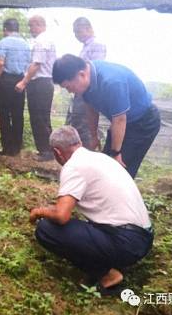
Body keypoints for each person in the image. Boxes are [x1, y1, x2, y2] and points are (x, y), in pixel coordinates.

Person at [30, 126, 153, 295]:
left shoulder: (74, 166)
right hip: (142, 238)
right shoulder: (100, 158)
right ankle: (110, 261)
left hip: (126, 243)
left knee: (46, 229)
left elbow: (61, 216)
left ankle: (108, 274)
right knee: (83, 226)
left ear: (57, 152)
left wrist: (40, 212)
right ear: (79, 142)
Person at [52, 54, 160, 178]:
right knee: (105, 165)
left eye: (68, 87)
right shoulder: (86, 83)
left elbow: (120, 119)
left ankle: (122, 195)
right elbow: (91, 108)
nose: (69, 91)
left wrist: (116, 153)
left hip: (143, 123)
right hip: (121, 123)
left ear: (81, 74)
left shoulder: (112, 81)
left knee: (120, 171)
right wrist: (94, 135)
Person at [15, 15, 57, 162]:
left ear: (38, 24)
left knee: (39, 118)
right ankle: (48, 150)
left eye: (31, 26)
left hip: (40, 83)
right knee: (42, 118)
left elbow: (36, 64)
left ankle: (46, 152)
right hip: (43, 83)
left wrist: (24, 82)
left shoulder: (41, 41)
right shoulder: (46, 40)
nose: (30, 29)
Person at [66, 17, 107, 148]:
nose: (76, 35)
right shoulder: (85, 47)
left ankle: (87, 152)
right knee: (76, 121)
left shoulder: (97, 45)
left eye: (78, 31)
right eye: (74, 32)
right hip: (80, 91)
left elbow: (95, 67)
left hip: (87, 92)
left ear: (88, 28)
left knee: (84, 124)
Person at [0, 18, 31, 155]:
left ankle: (6, 148)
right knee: (17, 114)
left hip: (7, 80)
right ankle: (16, 148)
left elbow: (0, 64)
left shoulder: (4, 42)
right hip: (21, 80)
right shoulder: (26, 44)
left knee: (4, 114)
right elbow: (28, 65)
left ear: (5, 29)